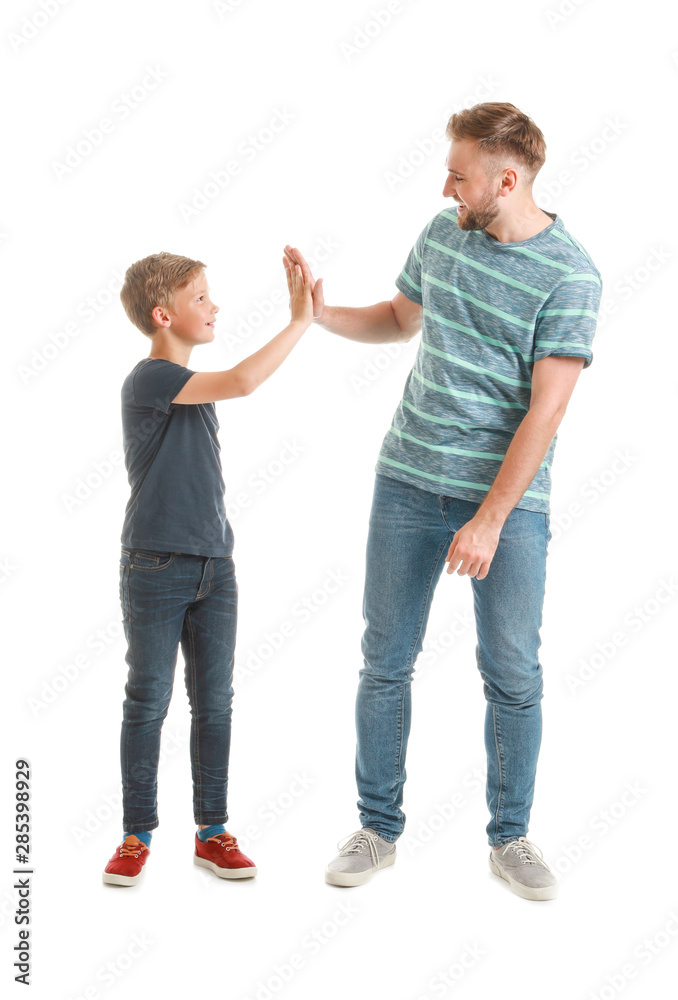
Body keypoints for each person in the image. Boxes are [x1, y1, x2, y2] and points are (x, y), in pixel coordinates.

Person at [285, 102, 602, 901]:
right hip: (406, 482)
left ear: (508, 177)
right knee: (385, 660)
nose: (444, 187)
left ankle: (511, 837)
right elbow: (399, 318)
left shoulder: (570, 274)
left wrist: (491, 519)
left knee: (512, 671)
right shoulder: (444, 236)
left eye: (459, 174)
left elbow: (548, 410)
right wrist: (317, 313)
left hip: (509, 505)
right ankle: (377, 828)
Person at [102, 251, 313, 885]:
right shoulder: (151, 378)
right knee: (148, 701)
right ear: (163, 314)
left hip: (216, 566)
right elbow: (246, 380)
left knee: (214, 704)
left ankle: (212, 832)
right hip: (155, 564)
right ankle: (136, 835)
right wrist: (300, 321)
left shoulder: (191, 387)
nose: (214, 306)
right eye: (201, 298)